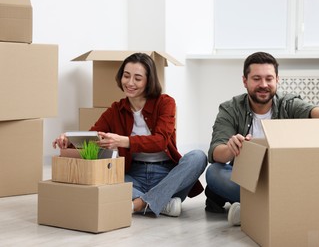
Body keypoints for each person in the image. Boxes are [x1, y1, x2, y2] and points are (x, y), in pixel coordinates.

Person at [53, 52, 207, 217]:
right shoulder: (116, 110)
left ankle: (140, 203)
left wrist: (124, 141)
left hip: (168, 175)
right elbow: (93, 136)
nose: (130, 83)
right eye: (126, 76)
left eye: (138, 78)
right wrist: (68, 139)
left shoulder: (165, 103)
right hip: (134, 175)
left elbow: (161, 141)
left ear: (149, 81)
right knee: (101, 178)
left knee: (198, 156)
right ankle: (161, 202)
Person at [205, 51, 319, 226]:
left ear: (277, 80)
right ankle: (273, 207)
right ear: (245, 81)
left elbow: (312, 111)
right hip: (247, 178)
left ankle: (251, 208)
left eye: (269, 78)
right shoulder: (230, 108)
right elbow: (216, 152)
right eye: (256, 78)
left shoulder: (288, 104)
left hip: (282, 177)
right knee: (214, 173)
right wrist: (231, 148)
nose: (263, 84)